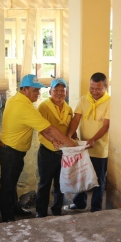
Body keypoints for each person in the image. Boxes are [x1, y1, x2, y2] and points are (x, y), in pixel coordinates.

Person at [0, 74, 76, 223]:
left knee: (11, 183)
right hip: (11, 151)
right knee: (8, 185)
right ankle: (7, 218)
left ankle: (14, 208)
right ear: (24, 90)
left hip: (10, 149)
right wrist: (71, 144)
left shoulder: (15, 99)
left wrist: (54, 140)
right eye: (35, 90)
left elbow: (48, 132)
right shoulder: (26, 108)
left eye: (39, 90)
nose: (38, 93)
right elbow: (49, 129)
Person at [64, 72, 110, 213]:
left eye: (98, 89)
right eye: (92, 88)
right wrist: (69, 136)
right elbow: (76, 119)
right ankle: (79, 203)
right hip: (83, 147)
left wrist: (94, 139)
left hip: (100, 149)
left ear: (105, 87)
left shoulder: (110, 102)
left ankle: (95, 208)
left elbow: (106, 125)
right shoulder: (83, 100)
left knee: (98, 180)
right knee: (81, 175)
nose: (94, 92)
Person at [36, 77, 74, 217]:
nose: (59, 93)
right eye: (55, 90)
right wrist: (52, 140)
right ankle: (41, 212)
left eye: (62, 90)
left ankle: (57, 210)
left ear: (66, 91)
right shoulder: (43, 107)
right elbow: (41, 129)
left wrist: (75, 142)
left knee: (61, 183)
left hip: (64, 152)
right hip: (48, 152)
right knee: (44, 183)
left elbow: (70, 129)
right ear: (50, 91)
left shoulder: (68, 108)